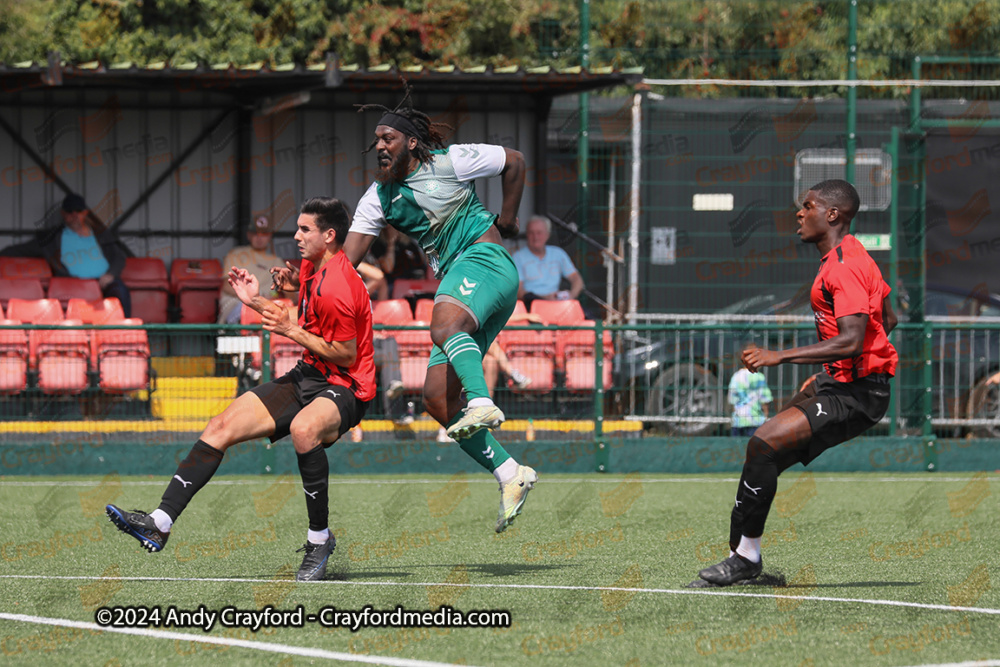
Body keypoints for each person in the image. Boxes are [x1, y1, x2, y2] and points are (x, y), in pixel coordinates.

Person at [106, 197, 376, 582]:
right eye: (297, 227)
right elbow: (301, 307)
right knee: (219, 427)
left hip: (347, 385)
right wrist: (256, 299)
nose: (296, 236)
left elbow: (347, 355)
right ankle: (159, 522)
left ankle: (319, 539)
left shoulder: (341, 284)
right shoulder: (311, 268)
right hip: (310, 373)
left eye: (305, 229)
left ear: (330, 236)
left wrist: (292, 329)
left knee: (303, 430)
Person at [337, 85, 537, 533]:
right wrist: (306, 279)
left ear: (410, 142)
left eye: (388, 138)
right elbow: (345, 264)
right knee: (435, 398)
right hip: (465, 281)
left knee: (442, 322)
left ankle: (483, 400)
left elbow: (516, 160)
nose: (380, 147)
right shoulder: (377, 198)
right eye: (376, 141)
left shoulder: (450, 160)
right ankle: (511, 474)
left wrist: (507, 217)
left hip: (486, 261)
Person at [694, 180, 898, 587]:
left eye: (808, 206)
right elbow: (887, 320)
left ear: (832, 214)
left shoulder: (845, 264)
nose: (800, 214)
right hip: (845, 384)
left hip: (859, 396)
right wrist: (835, 370)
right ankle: (743, 558)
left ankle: (744, 559)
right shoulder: (852, 257)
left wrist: (778, 356)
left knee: (764, 443)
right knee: (763, 451)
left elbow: (854, 338)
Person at [1, 193, 131, 317]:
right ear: (63, 213)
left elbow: (119, 256)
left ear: (85, 213)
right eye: (70, 211)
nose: (74, 215)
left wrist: (110, 274)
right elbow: (21, 249)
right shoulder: (52, 239)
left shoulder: (101, 234)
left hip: (104, 283)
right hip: (70, 285)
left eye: (78, 211)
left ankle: (125, 332)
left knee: (121, 291)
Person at [218, 215, 297, 324]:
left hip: (267, 307)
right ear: (248, 235)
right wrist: (253, 298)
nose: (259, 238)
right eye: (255, 234)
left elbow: (292, 295)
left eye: (264, 234)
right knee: (248, 310)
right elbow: (227, 286)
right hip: (238, 304)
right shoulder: (235, 254)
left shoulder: (277, 262)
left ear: (270, 236)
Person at [512, 215, 584, 312]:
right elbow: (518, 292)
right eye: (531, 233)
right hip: (532, 306)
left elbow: (577, 279)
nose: (535, 237)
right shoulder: (517, 257)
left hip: (559, 304)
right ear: (527, 235)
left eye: (539, 233)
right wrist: (545, 298)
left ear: (548, 234)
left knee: (589, 318)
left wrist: (571, 295)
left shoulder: (558, 253)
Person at [727, 349, 773, 437]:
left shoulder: (736, 376)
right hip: (755, 420)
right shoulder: (759, 377)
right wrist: (766, 416)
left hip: (738, 420)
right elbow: (765, 399)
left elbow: (732, 400)